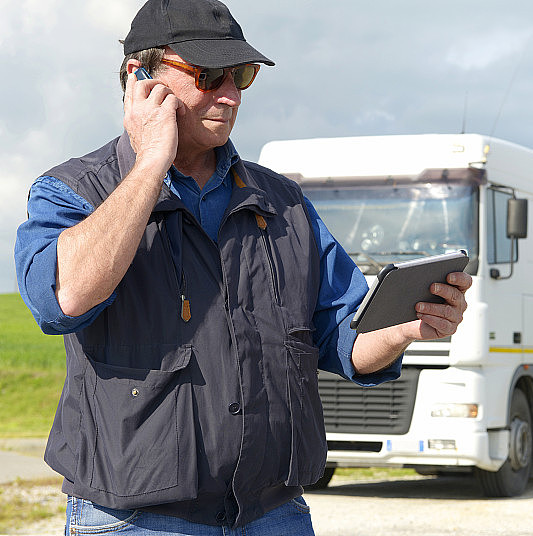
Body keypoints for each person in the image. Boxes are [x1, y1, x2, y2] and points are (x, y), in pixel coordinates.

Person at [13, 0, 471, 534]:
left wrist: (405, 328)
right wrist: (150, 164)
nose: (229, 95)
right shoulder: (73, 191)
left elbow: (347, 340)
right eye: (208, 76)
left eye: (242, 75)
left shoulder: (284, 204)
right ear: (141, 80)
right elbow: (64, 296)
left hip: (273, 513)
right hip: (137, 520)